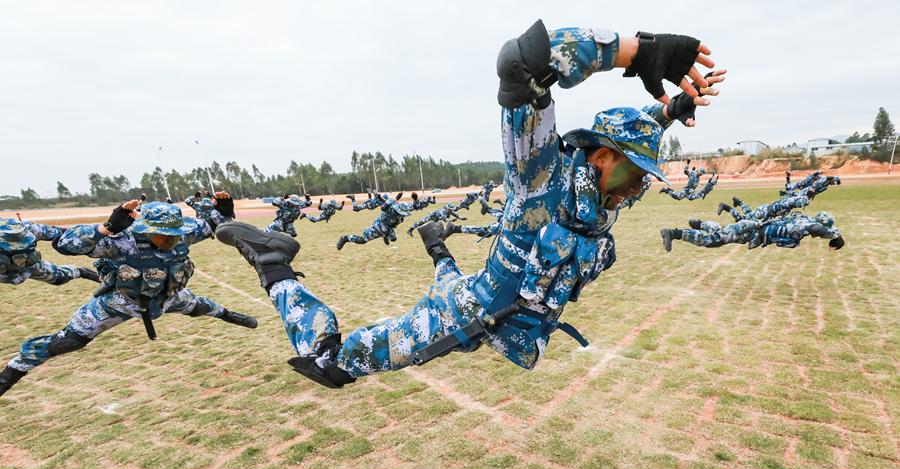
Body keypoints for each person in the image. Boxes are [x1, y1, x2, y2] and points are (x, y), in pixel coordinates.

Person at [214, 20, 723, 388]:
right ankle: (273, 263)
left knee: (458, 279)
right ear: (602, 156)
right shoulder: (540, 170)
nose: (639, 189)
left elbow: (629, 144)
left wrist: (671, 112)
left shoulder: (604, 192)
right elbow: (522, 58)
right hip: (463, 317)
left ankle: (436, 245)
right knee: (332, 364)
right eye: (635, 174)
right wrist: (636, 51)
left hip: (497, 318)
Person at [0, 196, 258, 397]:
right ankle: (9, 375)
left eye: (172, 236)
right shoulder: (121, 241)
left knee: (201, 306)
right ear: (145, 229)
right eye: (162, 236)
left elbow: (210, 225)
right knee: (66, 342)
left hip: (168, 296)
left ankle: (230, 315)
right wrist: (106, 228)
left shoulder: (181, 234)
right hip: (120, 302)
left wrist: (223, 212)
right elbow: (66, 245)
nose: (169, 240)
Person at [660, 211, 843, 252]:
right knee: (712, 241)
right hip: (752, 228)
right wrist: (834, 237)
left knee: (722, 234)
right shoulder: (806, 225)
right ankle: (673, 233)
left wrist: (836, 237)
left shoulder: (805, 219)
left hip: (753, 232)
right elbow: (818, 229)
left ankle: (700, 224)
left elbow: (824, 227)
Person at [1, 219, 99, 286]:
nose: (18, 262)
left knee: (58, 278)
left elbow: (58, 232)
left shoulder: (26, 229)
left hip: (29, 268)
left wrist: (98, 233)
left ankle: (84, 272)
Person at [336, 192, 412, 248]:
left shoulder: (400, 214)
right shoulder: (390, 208)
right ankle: (345, 238)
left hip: (388, 228)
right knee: (363, 240)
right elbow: (384, 207)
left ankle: (386, 236)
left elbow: (395, 222)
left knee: (394, 239)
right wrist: (381, 200)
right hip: (379, 226)